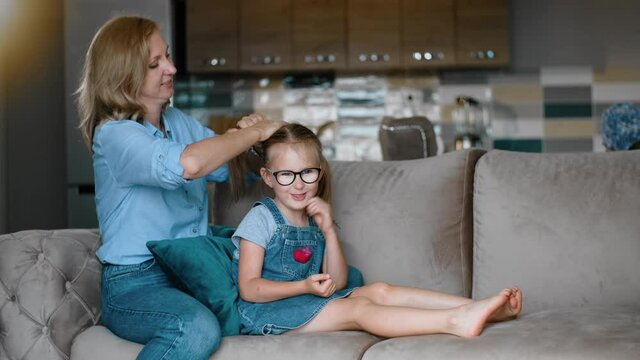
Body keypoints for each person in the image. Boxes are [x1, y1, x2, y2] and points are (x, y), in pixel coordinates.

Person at [77, 15, 284, 360]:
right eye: (154, 64)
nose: (171, 69)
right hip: (137, 283)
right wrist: (250, 135)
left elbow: (229, 169)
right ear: (124, 74)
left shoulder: (178, 122)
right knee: (195, 326)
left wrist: (250, 144)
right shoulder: (115, 134)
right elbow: (188, 165)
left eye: (168, 56)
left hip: (193, 269)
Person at [230, 123, 523, 338]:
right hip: (266, 313)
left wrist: (329, 229)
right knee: (359, 310)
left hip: (305, 301)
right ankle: (454, 321)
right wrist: (304, 286)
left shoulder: (313, 217)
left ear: (320, 171)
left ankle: (483, 309)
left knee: (381, 290)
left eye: (308, 172)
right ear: (268, 177)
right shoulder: (261, 219)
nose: (298, 183)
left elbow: (337, 281)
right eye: (286, 175)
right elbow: (250, 289)